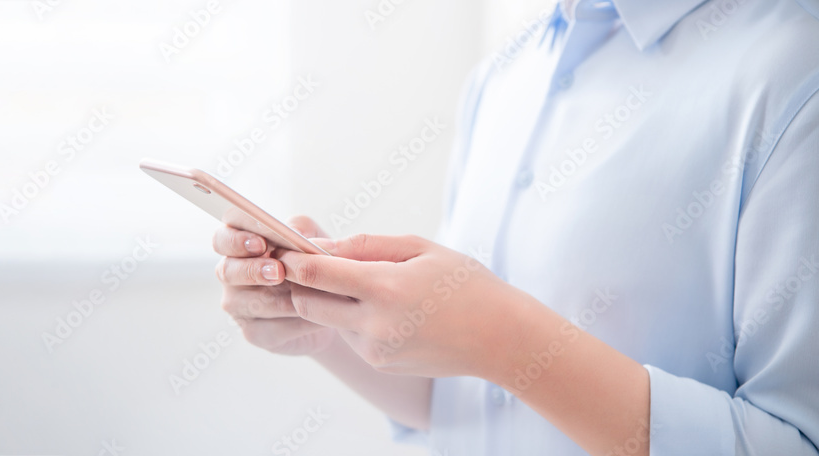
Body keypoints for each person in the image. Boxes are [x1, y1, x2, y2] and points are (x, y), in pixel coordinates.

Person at [212, 0, 819, 454]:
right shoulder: (507, 73)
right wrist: (324, 320)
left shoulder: (795, 73)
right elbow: (471, 401)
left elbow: (794, 440)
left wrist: (503, 339)